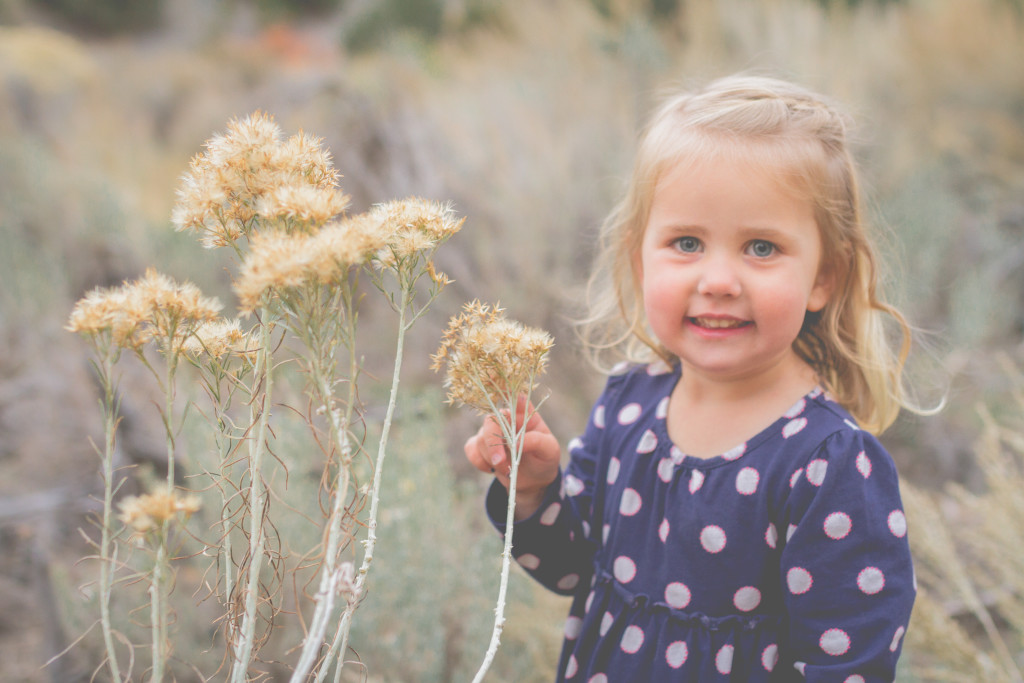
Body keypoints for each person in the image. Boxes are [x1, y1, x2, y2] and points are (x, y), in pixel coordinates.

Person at [464, 74, 919, 682]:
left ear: (824, 277)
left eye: (761, 247)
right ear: (638, 258)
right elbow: (571, 568)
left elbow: (850, 662)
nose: (720, 280)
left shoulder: (827, 463)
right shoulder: (630, 403)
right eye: (686, 242)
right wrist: (535, 489)